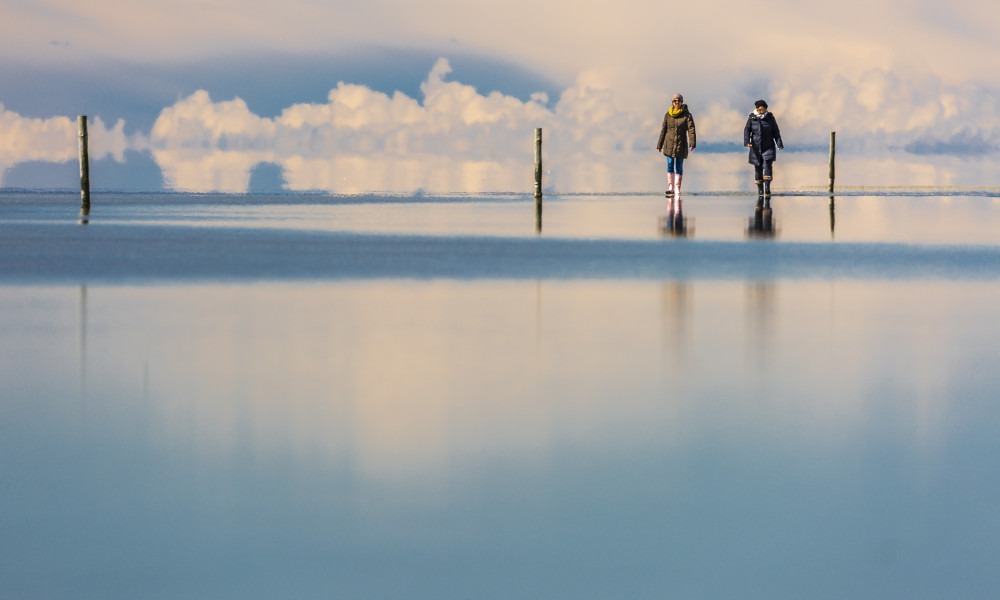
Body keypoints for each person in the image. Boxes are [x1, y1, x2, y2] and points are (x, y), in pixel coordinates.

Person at [657, 93, 696, 203]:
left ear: (681, 102)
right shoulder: (668, 115)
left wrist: (692, 143)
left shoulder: (687, 115)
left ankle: (677, 188)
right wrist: (659, 145)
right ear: (672, 102)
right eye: (674, 101)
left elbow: (691, 129)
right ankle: (670, 188)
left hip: (681, 144)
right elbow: (663, 130)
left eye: (678, 101)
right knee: (670, 164)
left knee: (679, 165)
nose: (676, 103)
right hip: (668, 145)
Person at [743, 99, 783, 197]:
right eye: (759, 109)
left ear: (765, 109)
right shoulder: (752, 118)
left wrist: (779, 144)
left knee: (768, 165)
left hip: (768, 146)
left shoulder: (770, 118)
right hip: (755, 147)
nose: (761, 111)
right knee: (758, 167)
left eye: (763, 109)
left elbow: (776, 132)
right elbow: (747, 130)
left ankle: (767, 188)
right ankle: (760, 190)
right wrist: (747, 141)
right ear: (757, 109)